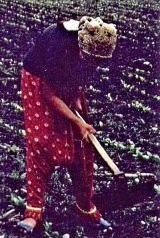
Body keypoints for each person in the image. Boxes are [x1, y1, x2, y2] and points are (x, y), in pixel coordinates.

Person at [15, 17, 117, 235]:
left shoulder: (93, 52)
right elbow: (49, 93)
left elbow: (76, 80)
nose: (93, 65)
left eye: (96, 62)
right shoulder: (59, 46)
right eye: (90, 60)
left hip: (62, 81)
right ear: (80, 46)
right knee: (41, 143)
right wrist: (76, 121)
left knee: (82, 145)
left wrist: (76, 101)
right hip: (38, 83)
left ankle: (87, 209)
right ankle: (33, 213)